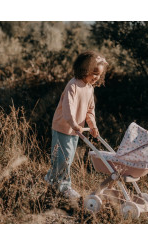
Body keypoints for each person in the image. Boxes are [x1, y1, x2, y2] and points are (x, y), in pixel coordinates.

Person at [44, 50, 108, 200]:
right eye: (94, 73)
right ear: (84, 69)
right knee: (63, 158)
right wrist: (73, 123)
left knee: (67, 158)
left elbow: (90, 110)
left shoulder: (89, 88)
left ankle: (51, 180)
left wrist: (93, 126)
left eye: (99, 75)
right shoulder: (73, 85)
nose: (96, 77)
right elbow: (68, 108)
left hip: (75, 129)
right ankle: (63, 187)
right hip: (63, 126)